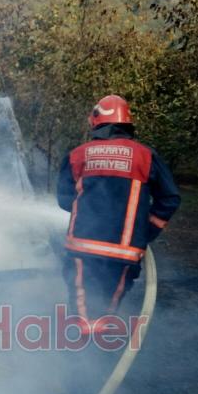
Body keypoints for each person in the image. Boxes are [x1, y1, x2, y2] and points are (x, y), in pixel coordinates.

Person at [57, 95, 180, 330]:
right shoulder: (146, 156)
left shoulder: (77, 155)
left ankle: (79, 359)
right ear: (127, 123)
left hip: (83, 249)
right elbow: (170, 199)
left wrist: (88, 209)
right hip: (125, 253)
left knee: (81, 313)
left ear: (96, 121)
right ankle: (102, 357)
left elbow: (64, 200)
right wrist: (145, 231)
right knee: (106, 311)